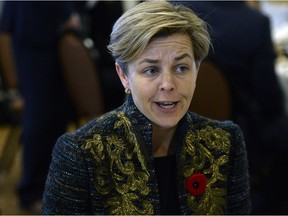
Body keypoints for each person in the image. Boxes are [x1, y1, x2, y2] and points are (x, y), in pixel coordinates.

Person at [42, 1, 251, 214]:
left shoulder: (225, 142)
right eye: (151, 70)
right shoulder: (81, 155)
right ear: (123, 75)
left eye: (181, 67)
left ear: (196, 71)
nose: (168, 84)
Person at [173, 1, 287, 214]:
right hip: (237, 137)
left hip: (172, 132)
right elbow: (270, 101)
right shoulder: (254, 23)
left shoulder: (174, 9)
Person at [0, 1, 85, 213]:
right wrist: (13, 86)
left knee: (57, 123)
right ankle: (30, 193)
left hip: (57, 57)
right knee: (39, 126)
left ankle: (52, 188)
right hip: (33, 58)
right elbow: (6, 33)